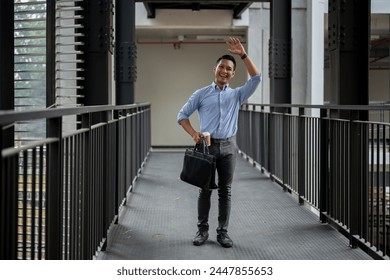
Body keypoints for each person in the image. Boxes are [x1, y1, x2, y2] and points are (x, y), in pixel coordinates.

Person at [177, 37, 261, 248]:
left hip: (229, 148)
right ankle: (202, 230)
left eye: (229, 69)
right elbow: (182, 115)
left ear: (233, 74)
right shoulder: (202, 94)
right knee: (204, 190)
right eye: (221, 67)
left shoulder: (237, 95)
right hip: (207, 147)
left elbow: (257, 78)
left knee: (226, 191)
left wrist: (243, 54)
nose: (224, 71)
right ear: (214, 69)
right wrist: (194, 134)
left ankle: (223, 233)